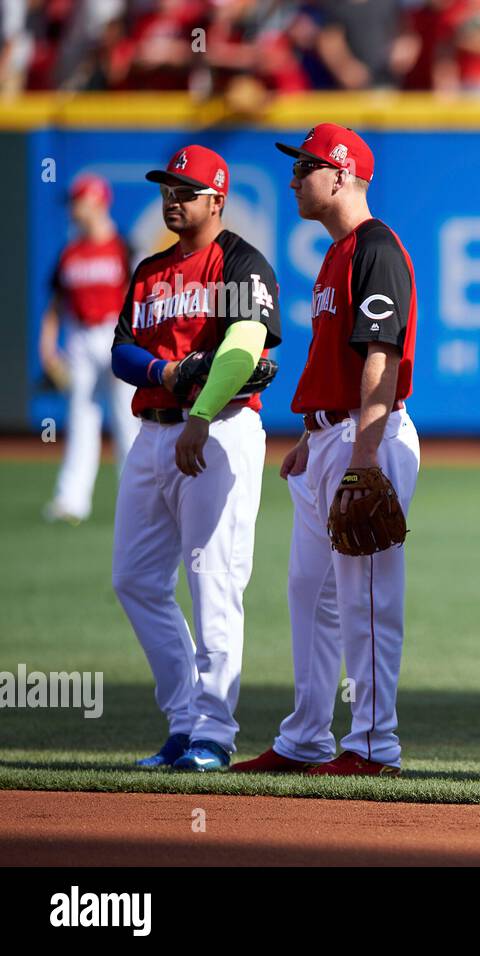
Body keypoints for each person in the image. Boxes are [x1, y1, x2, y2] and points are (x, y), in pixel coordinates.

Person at [233, 124, 420, 777]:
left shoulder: (375, 249)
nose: (293, 179)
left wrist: (363, 456)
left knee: (367, 598)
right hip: (330, 437)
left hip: (368, 436)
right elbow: (336, 359)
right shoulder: (337, 254)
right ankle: (306, 736)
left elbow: (381, 357)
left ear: (340, 174)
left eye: (305, 167)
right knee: (309, 593)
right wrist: (311, 437)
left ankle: (374, 745)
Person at [111, 145, 281, 772]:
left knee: (214, 579)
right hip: (153, 431)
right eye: (167, 187)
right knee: (134, 579)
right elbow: (121, 352)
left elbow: (243, 350)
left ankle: (212, 731)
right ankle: (184, 718)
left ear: (217, 199)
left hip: (218, 430)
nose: (172, 198)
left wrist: (201, 412)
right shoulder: (150, 269)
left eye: (186, 189)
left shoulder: (240, 262)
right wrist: (164, 369)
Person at [40, 172, 138, 525]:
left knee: (128, 420)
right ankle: (71, 500)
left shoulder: (124, 247)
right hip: (80, 337)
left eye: (78, 201)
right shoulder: (70, 253)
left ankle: (136, 499)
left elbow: (140, 298)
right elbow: (55, 304)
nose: (73, 209)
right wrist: (48, 346)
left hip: (117, 333)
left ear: (96, 201)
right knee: (82, 419)